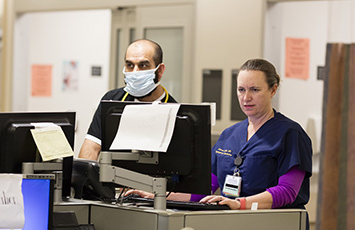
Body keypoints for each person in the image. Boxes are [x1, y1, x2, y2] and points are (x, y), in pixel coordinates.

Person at [126, 59, 312, 213]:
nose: (246, 97)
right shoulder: (229, 135)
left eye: (255, 90)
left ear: (273, 90)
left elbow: (288, 191)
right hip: (230, 219)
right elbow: (202, 191)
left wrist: (240, 204)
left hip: (272, 221)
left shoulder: (291, 134)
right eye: (241, 90)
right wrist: (156, 196)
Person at [78, 39, 177, 161]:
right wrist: (83, 176)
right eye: (130, 65)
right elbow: (91, 148)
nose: (135, 72)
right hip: (114, 178)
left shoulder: (175, 112)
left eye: (143, 65)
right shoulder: (112, 101)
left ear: (160, 70)